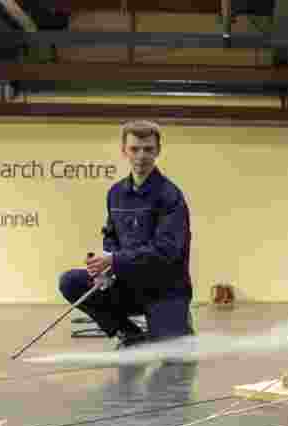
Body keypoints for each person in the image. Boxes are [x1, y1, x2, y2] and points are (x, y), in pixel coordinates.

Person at [58, 120, 194, 347]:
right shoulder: (115, 194)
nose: (141, 156)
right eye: (134, 149)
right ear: (124, 151)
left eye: (148, 149)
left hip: (165, 289)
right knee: (70, 281)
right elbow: (111, 235)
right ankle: (128, 331)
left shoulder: (170, 196)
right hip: (127, 284)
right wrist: (106, 266)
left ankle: (177, 319)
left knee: (171, 353)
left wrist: (115, 260)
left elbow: (166, 250)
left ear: (158, 151)